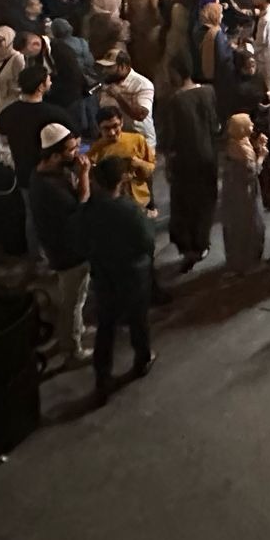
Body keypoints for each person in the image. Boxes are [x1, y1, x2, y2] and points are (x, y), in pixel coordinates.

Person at [83, 155, 156, 407]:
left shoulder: (90, 209)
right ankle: (142, 359)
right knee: (138, 320)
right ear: (121, 180)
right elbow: (146, 242)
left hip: (104, 274)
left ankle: (102, 379)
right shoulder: (129, 211)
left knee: (106, 326)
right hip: (132, 275)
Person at [27, 125, 92, 366]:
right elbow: (82, 203)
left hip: (61, 246)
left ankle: (74, 330)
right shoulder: (49, 188)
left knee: (74, 297)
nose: (76, 153)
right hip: (69, 251)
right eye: (71, 150)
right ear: (54, 155)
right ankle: (72, 350)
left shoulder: (43, 173)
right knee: (73, 300)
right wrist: (84, 174)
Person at [160, 79, 220, 271]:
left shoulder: (175, 101)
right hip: (208, 157)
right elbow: (215, 125)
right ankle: (201, 243)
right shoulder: (209, 92)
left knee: (185, 204)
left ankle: (189, 247)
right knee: (205, 203)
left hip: (184, 162)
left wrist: (168, 161)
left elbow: (169, 137)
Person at [217, 112, 267, 273]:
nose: (252, 125)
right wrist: (262, 156)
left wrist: (257, 145)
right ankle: (250, 263)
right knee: (251, 226)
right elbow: (253, 171)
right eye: (249, 124)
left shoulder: (235, 144)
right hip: (245, 195)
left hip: (233, 194)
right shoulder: (241, 151)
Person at [91, 104, 158, 214]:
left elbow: (151, 167)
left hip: (140, 201)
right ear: (99, 128)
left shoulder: (137, 140)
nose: (112, 132)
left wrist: (140, 163)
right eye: (106, 128)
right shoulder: (96, 150)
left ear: (121, 122)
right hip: (115, 206)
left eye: (115, 126)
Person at [122, 0, 165, 82]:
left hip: (135, 27)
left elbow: (120, 6)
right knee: (147, 61)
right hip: (147, 28)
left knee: (137, 60)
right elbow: (156, 9)